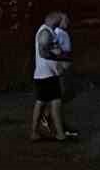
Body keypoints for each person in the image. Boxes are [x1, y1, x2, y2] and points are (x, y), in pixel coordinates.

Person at [30, 10, 78, 142]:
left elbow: (47, 51)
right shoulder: (45, 32)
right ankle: (60, 134)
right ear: (57, 20)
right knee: (55, 103)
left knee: (41, 103)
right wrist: (59, 57)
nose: (67, 23)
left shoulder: (49, 32)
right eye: (65, 20)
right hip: (46, 75)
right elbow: (43, 53)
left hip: (44, 75)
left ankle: (35, 132)